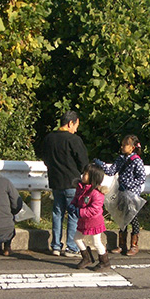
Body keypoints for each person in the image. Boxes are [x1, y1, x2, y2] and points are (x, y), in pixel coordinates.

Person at [42, 110, 89, 258]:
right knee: (74, 215)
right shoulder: (74, 140)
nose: (76, 129)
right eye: (76, 125)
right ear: (70, 123)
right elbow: (84, 163)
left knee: (57, 214)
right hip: (72, 183)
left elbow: (44, 158)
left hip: (55, 182)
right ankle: (71, 247)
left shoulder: (49, 138)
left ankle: (56, 246)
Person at [94, 135, 147, 256]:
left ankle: (134, 245)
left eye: (125, 145)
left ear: (132, 147)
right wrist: (101, 164)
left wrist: (129, 185)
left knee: (132, 218)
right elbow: (111, 171)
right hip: (121, 192)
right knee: (122, 218)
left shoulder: (137, 161)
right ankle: (122, 245)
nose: (122, 147)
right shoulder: (121, 159)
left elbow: (141, 178)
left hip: (132, 194)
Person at [67, 163, 110, 271]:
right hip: (83, 220)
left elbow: (94, 210)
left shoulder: (96, 193)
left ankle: (105, 261)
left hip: (94, 222)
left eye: (86, 174)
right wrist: (72, 206)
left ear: (93, 177)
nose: (83, 176)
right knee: (77, 238)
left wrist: (79, 211)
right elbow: (76, 199)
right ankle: (87, 258)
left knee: (96, 242)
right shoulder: (81, 188)